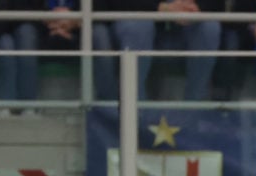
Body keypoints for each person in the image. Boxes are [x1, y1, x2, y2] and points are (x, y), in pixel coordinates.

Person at [92, 0, 223, 101]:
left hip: (181, 29)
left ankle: (195, 108)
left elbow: (218, 5)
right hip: (135, 20)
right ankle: (134, 110)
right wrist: (162, 8)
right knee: (139, 26)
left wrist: (193, 7)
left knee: (209, 27)